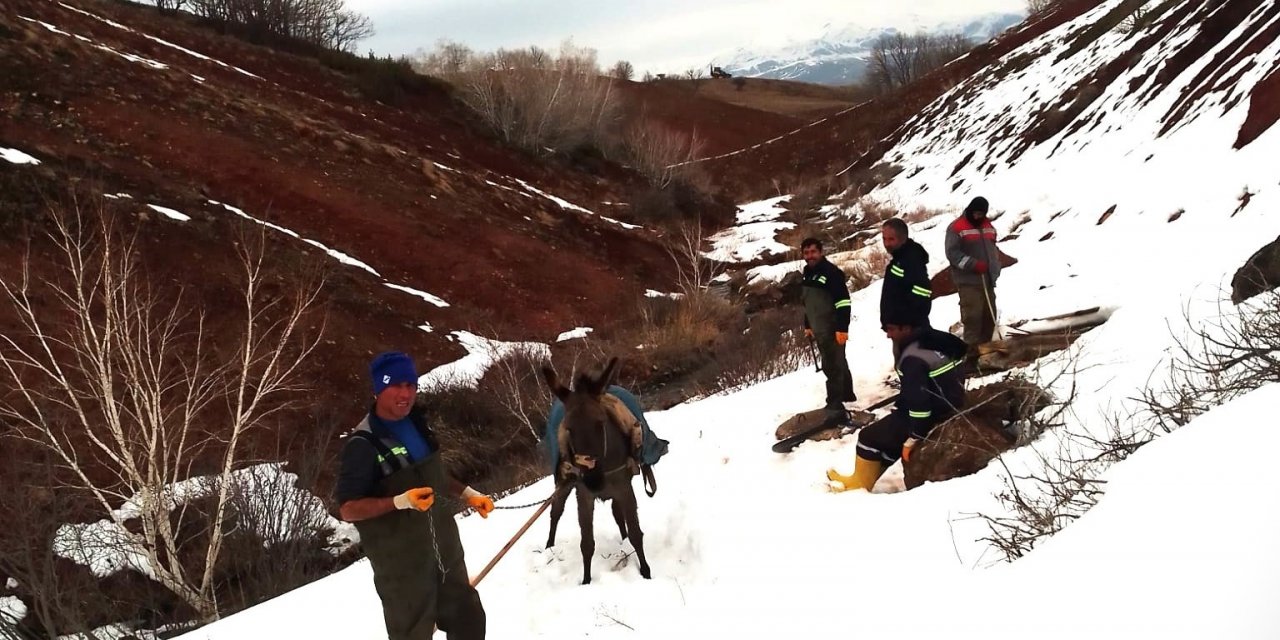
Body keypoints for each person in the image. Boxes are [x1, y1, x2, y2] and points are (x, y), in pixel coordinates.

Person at [335, 352, 494, 640]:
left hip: (445, 552)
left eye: (411, 385)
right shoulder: (363, 444)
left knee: (469, 619)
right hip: (402, 569)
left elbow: (432, 476)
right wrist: (399, 501)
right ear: (378, 389)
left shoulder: (417, 423)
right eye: (396, 385)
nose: (405, 393)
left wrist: (468, 494)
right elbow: (348, 508)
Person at [826, 307, 967, 492]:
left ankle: (859, 484)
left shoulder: (912, 358)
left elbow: (920, 404)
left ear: (906, 328)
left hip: (935, 412)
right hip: (951, 401)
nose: (888, 335)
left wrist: (915, 437)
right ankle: (862, 478)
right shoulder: (936, 340)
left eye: (892, 329)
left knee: (867, 437)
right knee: (887, 432)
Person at [800, 237, 856, 421]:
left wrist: (842, 328)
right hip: (819, 328)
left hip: (833, 327)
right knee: (839, 361)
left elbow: (843, 302)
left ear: (821, 252)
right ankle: (847, 393)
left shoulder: (832, 273)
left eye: (813, 252)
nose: (810, 256)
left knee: (831, 366)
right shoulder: (807, 273)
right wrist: (808, 324)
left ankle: (834, 403)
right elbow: (808, 303)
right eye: (806, 253)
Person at [945, 196, 1001, 361]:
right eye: (975, 213)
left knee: (989, 317)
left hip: (987, 280)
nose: (977, 217)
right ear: (970, 210)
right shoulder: (957, 228)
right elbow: (952, 254)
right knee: (973, 317)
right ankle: (970, 355)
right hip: (969, 282)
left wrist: (994, 267)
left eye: (981, 214)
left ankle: (986, 352)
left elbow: (992, 249)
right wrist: (972, 264)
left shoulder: (989, 227)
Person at [879, 217, 933, 342]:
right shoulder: (899, 259)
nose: (886, 244)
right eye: (884, 239)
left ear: (903, 238)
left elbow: (923, 291)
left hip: (909, 332)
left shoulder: (911, 259)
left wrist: (905, 323)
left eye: (891, 239)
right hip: (899, 329)